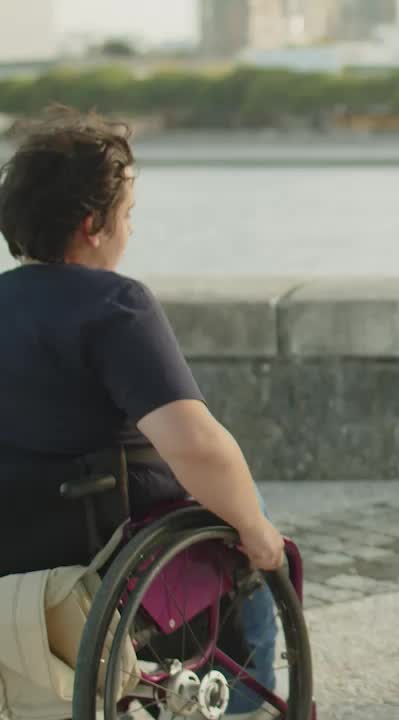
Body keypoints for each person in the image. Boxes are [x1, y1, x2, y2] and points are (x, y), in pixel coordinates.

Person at [0, 108, 281, 713]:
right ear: (93, 224)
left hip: (12, 539)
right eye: (128, 216)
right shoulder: (115, 306)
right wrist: (258, 534)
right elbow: (195, 445)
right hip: (106, 542)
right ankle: (250, 696)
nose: (131, 231)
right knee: (250, 522)